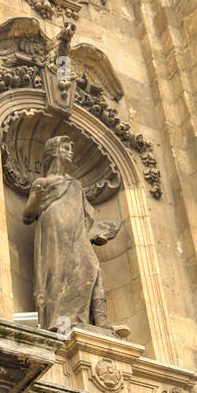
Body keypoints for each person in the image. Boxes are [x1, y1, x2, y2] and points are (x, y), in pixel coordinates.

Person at [22, 134, 123, 336]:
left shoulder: (75, 185)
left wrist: (100, 230)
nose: (70, 152)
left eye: (71, 148)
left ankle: (100, 322)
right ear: (54, 151)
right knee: (57, 273)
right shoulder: (42, 182)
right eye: (66, 148)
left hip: (76, 233)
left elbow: (87, 216)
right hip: (53, 232)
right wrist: (37, 198)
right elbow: (27, 216)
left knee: (91, 266)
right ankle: (60, 321)